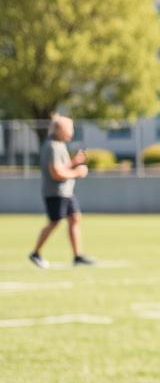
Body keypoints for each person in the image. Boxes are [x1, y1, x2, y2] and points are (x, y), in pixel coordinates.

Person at [29, 114, 94, 268]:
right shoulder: (52, 146)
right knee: (54, 222)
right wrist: (78, 172)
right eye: (69, 128)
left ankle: (77, 256)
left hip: (66, 191)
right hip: (56, 192)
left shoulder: (59, 145)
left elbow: (62, 168)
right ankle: (35, 253)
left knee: (75, 218)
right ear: (59, 129)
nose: (71, 132)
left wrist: (74, 162)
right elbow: (56, 173)